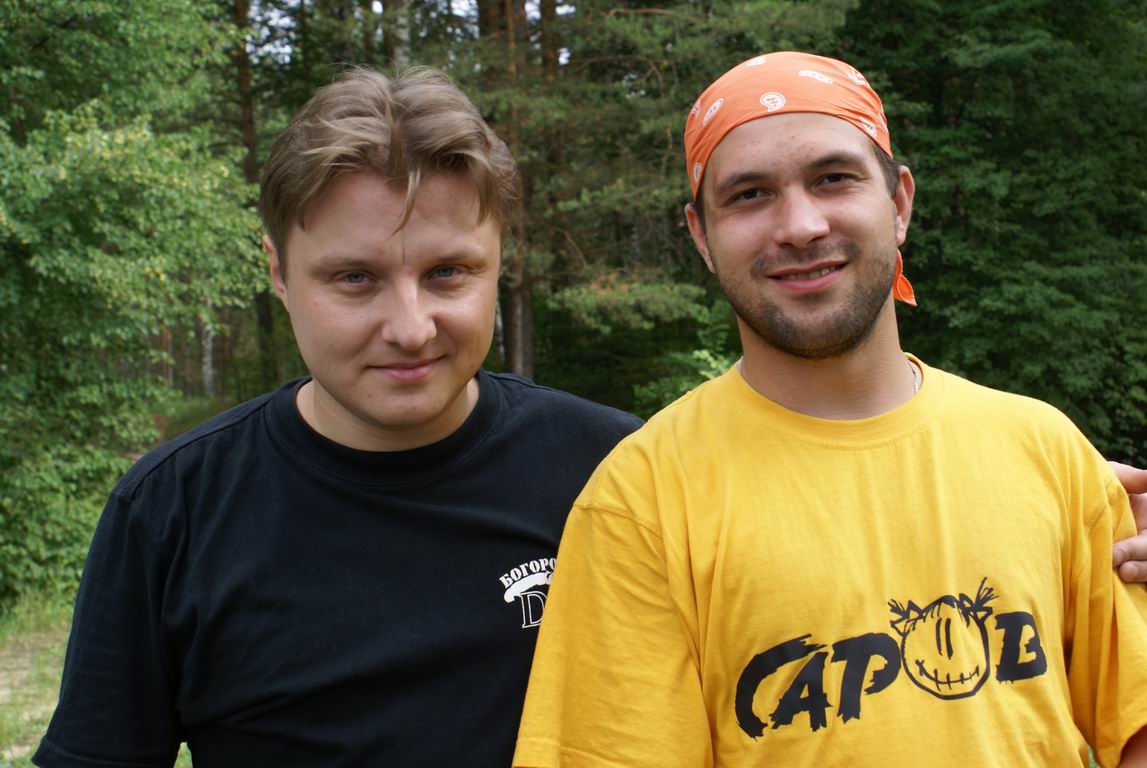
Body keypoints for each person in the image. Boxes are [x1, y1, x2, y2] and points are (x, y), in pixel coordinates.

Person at [512, 52, 1147, 767]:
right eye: (750, 194)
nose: (800, 225)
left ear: (899, 203)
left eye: (833, 178)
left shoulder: (1047, 452)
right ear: (700, 235)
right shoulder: (640, 503)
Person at [32, 67, 641, 767]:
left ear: (498, 260)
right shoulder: (172, 510)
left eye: (447, 272)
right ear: (278, 272)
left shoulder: (614, 470)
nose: (410, 329)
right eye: (355, 278)